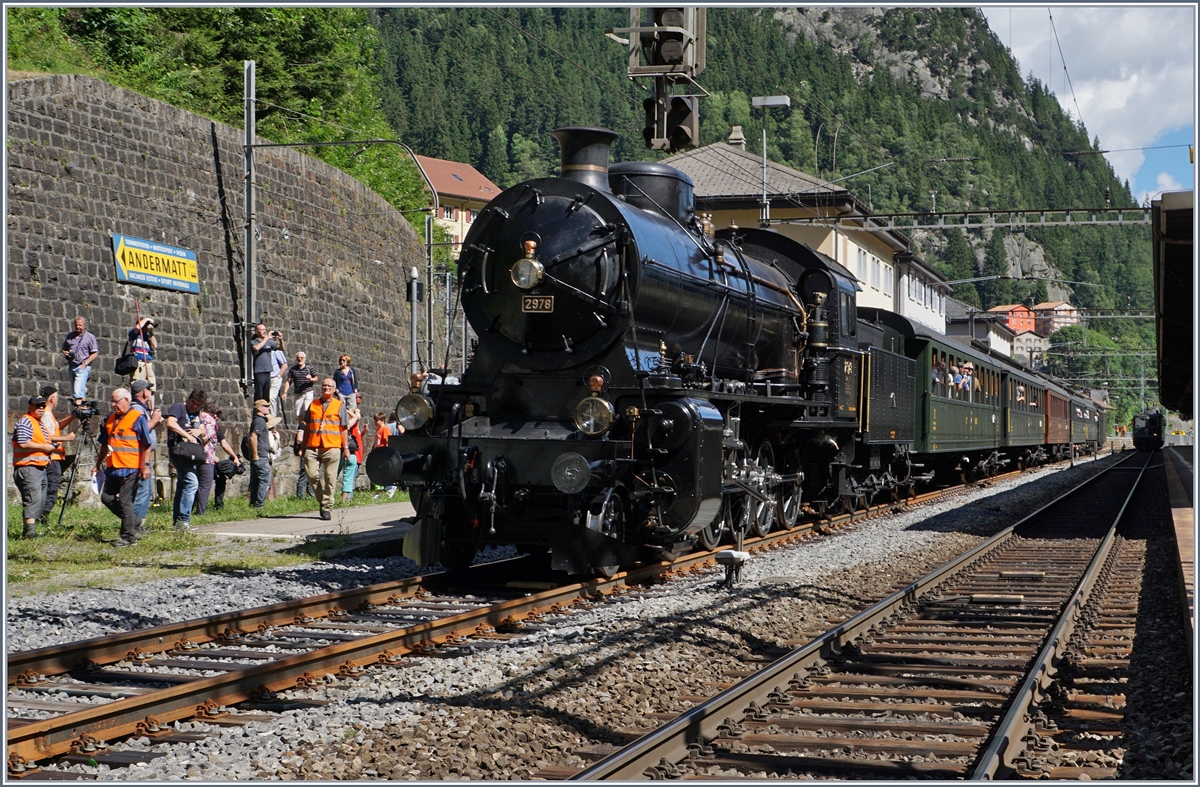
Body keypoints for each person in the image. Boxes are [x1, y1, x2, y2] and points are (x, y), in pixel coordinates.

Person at [93, 387, 152, 547]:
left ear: (126, 400)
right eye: (111, 401)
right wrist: (98, 464)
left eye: (116, 401)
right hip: (113, 466)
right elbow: (104, 444)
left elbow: (146, 444)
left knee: (126, 501)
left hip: (131, 467)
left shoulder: (137, 418)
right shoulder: (111, 419)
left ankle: (128, 537)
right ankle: (135, 521)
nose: (113, 405)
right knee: (107, 498)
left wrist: (145, 466)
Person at [298, 378, 350, 520]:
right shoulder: (313, 404)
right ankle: (322, 499)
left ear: (334, 389)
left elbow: (343, 428)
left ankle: (327, 507)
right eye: (324, 385)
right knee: (311, 475)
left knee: (330, 478)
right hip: (313, 445)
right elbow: (308, 426)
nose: (326, 388)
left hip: (332, 446)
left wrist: (345, 448)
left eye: (329, 386)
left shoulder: (339, 405)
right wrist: (303, 446)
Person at [12, 394, 55, 538]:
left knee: (40, 499)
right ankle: (29, 532)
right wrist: (45, 447)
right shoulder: (26, 422)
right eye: (38, 406)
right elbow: (24, 443)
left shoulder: (38, 423)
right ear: (30, 406)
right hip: (28, 467)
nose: (41, 408)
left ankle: (31, 530)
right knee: (33, 498)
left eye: (43, 405)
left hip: (39, 467)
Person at [165, 389, 207, 530]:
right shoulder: (179, 407)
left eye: (198, 405)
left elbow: (203, 429)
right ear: (189, 398)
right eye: (193, 403)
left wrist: (199, 431)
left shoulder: (196, 414)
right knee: (191, 483)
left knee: (183, 485)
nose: (194, 406)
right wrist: (187, 435)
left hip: (191, 454)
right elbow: (170, 423)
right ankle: (183, 520)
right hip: (179, 450)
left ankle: (178, 521)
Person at [37, 385, 78, 529]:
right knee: (51, 489)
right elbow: (46, 437)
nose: (57, 400)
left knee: (48, 488)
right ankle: (42, 517)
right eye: (57, 397)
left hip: (53, 457)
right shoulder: (47, 414)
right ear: (52, 398)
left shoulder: (46, 413)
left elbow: (56, 427)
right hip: (52, 457)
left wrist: (72, 417)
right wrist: (66, 438)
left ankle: (41, 516)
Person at [194, 400, 240, 516]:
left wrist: (234, 456)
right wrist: (234, 457)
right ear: (215, 413)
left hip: (193, 456)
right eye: (218, 415)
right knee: (204, 485)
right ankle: (201, 512)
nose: (218, 418)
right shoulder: (210, 422)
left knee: (194, 484)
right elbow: (209, 440)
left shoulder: (196, 417)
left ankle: (191, 509)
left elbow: (223, 442)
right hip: (205, 458)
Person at [129, 380, 163, 533]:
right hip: (141, 457)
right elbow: (141, 431)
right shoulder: (136, 409)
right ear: (144, 392)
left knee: (146, 492)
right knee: (142, 492)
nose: (150, 393)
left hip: (142, 456)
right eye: (149, 390)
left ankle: (138, 524)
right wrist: (154, 420)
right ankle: (135, 525)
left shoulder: (141, 409)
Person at [244, 399, 274, 511]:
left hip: (258, 455)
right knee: (264, 480)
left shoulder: (258, 421)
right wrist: (256, 454)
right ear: (259, 408)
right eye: (266, 406)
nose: (268, 408)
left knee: (256, 480)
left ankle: (254, 503)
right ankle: (259, 504)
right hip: (260, 456)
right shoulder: (260, 421)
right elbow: (253, 437)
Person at [61, 316, 98, 405]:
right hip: (72, 365)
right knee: (75, 389)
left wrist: (85, 364)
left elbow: (95, 353)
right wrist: (65, 353)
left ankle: (77, 408)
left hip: (82, 366)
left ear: (84, 326)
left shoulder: (90, 337)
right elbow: (64, 348)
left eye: (80, 325)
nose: (78, 327)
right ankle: (83, 405)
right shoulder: (70, 336)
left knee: (77, 392)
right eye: (76, 325)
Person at [339, 397, 365, 503]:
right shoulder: (347, 425)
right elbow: (356, 417)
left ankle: (327, 498)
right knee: (348, 478)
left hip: (339, 451)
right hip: (351, 452)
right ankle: (344, 500)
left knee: (331, 476)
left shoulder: (336, 424)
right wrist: (348, 410)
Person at [251, 323, 283, 403]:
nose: (264, 331)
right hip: (259, 371)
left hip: (268, 371)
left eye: (265, 329)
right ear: (257, 332)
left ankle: (265, 412)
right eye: (262, 330)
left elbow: (281, 348)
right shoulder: (254, 342)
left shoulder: (269, 343)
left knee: (266, 395)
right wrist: (267, 338)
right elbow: (256, 348)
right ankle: (257, 413)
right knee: (259, 394)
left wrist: (280, 339)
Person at [281, 351, 318, 421]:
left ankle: (307, 427)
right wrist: (284, 392)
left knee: (307, 410)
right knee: (299, 413)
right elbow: (288, 381)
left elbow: (316, 378)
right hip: (298, 394)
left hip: (308, 392)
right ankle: (301, 427)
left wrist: (311, 379)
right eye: (298, 358)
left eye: (301, 357)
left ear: (304, 358)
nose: (300, 359)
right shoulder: (293, 369)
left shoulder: (309, 368)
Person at [128, 317, 158, 390]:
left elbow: (155, 345)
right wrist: (147, 319)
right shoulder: (134, 333)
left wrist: (151, 333)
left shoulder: (148, 335)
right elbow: (138, 328)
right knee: (139, 388)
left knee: (151, 388)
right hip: (139, 364)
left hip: (147, 364)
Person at [268, 344, 288, 422]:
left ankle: (272, 419)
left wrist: (279, 375)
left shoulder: (276, 350)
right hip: (265, 378)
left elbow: (284, 364)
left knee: (271, 397)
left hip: (275, 378)